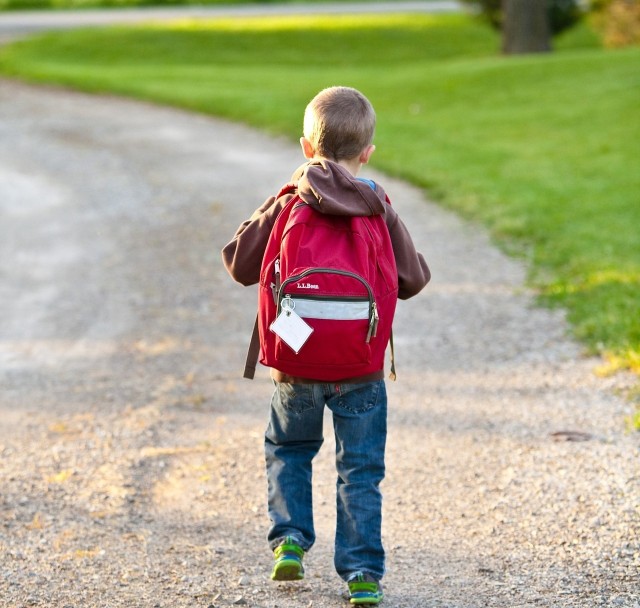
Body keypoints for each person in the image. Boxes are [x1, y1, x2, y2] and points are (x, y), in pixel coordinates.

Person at [221, 86, 430, 605]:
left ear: (305, 148)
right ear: (367, 153)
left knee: (289, 449)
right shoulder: (376, 202)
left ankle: (290, 541)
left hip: (296, 365)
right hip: (361, 366)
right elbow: (413, 279)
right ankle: (361, 574)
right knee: (359, 469)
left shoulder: (291, 200)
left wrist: (280, 196)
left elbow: (239, 263)